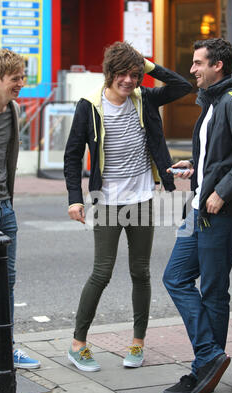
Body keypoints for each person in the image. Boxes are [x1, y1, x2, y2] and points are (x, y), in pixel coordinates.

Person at [64, 41, 192, 371]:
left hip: (142, 199)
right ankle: (78, 343)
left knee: (141, 272)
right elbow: (72, 155)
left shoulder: (145, 99)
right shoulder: (89, 106)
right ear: (110, 73)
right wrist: (74, 199)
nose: (129, 81)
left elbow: (182, 85)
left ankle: (138, 343)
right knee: (102, 272)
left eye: (135, 75)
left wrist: (146, 65)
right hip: (107, 202)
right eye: (123, 74)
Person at [162, 38, 232, 393]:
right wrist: (197, 170)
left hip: (223, 212)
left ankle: (203, 369)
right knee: (175, 277)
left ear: (217, 66)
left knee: (212, 291)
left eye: (197, 63)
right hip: (201, 207)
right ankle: (209, 356)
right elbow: (225, 156)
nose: (192, 70)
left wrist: (220, 191)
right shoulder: (212, 104)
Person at [0, 49, 40, 369]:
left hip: (5, 209)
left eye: (22, 77)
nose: (20, 83)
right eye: (14, 79)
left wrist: (6, 201)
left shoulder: (13, 110)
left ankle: (4, 348)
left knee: (6, 283)